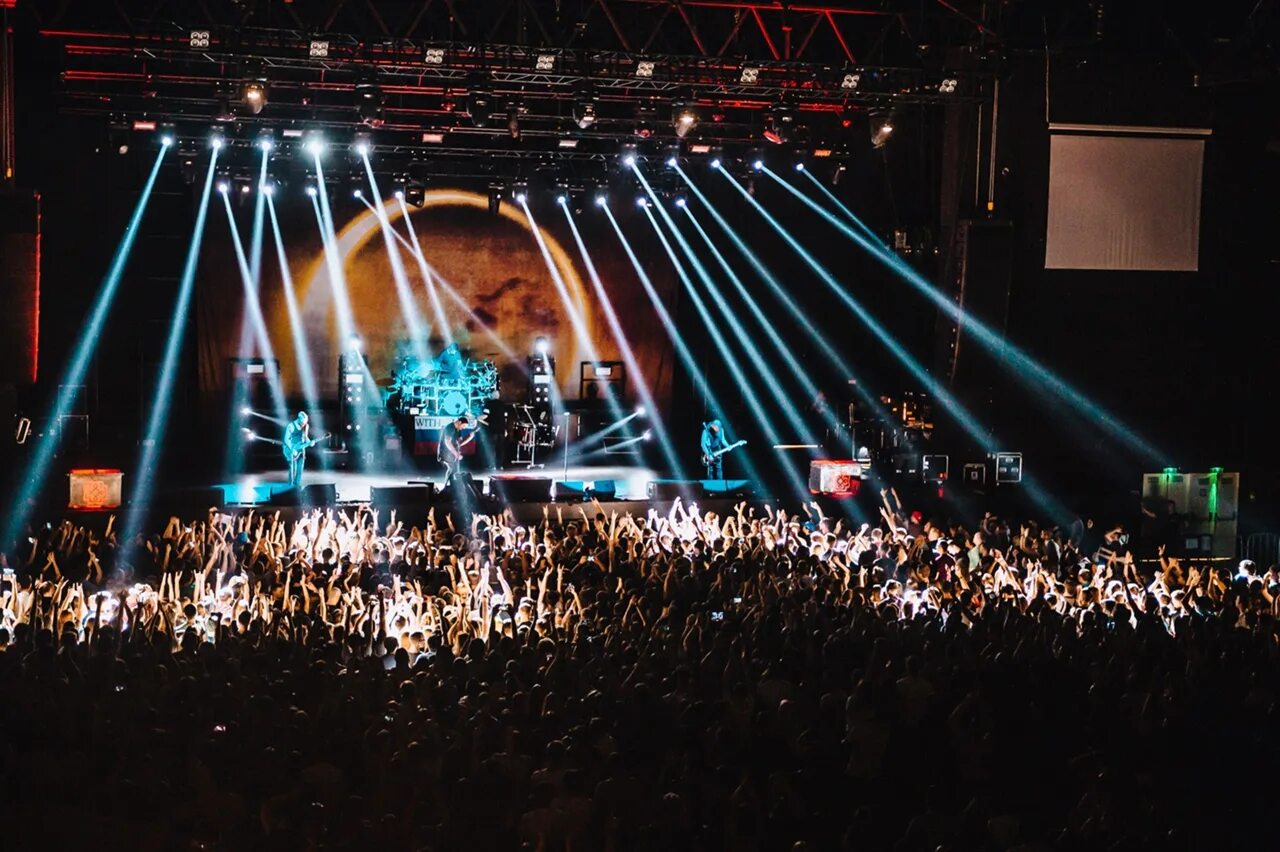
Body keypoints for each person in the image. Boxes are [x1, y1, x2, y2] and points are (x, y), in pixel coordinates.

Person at [281, 411, 317, 487]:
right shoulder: (291, 426)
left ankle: (297, 485)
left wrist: (310, 442)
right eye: (302, 423)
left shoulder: (306, 426)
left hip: (301, 448)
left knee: (300, 469)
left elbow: (305, 437)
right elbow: (286, 440)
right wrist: (291, 450)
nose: (303, 425)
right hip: (291, 449)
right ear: (299, 419)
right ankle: (290, 486)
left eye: (305, 423)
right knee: (293, 469)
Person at [438, 415, 474, 481]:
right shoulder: (450, 427)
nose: (464, 428)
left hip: (451, 453)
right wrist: (456, 454)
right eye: (464, 426)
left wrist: (469, 438)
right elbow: (447, 442)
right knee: (452, 469)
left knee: (455, 470)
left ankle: (451, 486)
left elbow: (459, 444)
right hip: (445, 452)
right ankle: (446, 486)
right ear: (460, 422)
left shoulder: (458, 430)